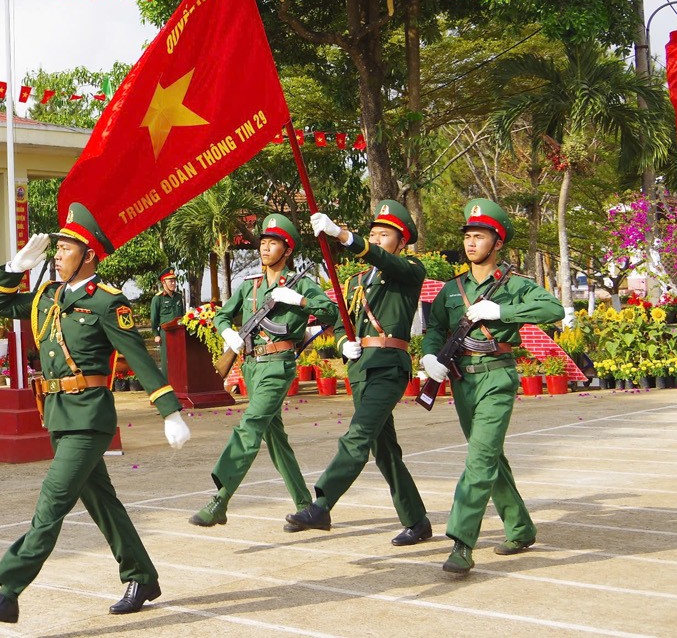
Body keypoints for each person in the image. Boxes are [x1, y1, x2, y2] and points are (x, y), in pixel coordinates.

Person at [0, 202, 190, 624]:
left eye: (66, 248)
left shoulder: (106, 302)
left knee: (52, 502)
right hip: (58, 415)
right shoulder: (47, 298)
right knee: (102, 501)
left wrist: (169, 410)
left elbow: (137, 357)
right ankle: (142, 575)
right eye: (59, 247)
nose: (58, 254)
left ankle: (8, 591)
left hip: (89, 418)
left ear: (89, 256)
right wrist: (13, 268)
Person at [423, 199, 564, 575]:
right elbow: (435, 326)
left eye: (479, 236)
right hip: (461, 378)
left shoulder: (514, 286)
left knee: (479, 459)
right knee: (489, 456)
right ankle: (520, 527)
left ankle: (461, 542)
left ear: (497, 242)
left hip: (496, 376)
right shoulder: (452, 289)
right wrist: (429, 357)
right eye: (468, 236)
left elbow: (554, 310)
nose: (471, 243)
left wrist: (501, 312)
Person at [284, 200, 431, 547]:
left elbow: (382, 260)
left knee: (358, 434)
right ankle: (417, 520)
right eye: (374, 233)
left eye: (385, 235)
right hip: (361, 369)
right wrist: (341, 346)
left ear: (401, 242)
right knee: (384, 450)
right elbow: (339, 321)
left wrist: (343, 236)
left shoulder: (409, 270)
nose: (377, 239)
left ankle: (322, 504)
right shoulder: (355, 282)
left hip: (389, 367)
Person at [190, 214, 337, 528]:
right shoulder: (250, 286)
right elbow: (221, 315)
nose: (265, 248)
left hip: (278, 365)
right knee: (276, 438)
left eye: (273, 243)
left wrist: (299, 300)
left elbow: (330, 311)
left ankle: (221, 499)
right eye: (263, 242)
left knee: (251, 425)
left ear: (287, 250)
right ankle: (306, 507)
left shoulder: (302, 283)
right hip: (251, 366)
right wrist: (228, 332)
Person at [147, 268, 185, 376]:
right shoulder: (157, 299)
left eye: (174, 281)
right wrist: (156, 334)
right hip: (166, 333)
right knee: (167, 361)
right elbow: (154, 319)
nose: (173, 283)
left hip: (179, 332)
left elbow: (182, 315)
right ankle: (167, 385)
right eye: (170, 281)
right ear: (163, 282)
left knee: (180, 359)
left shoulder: (178, 296)